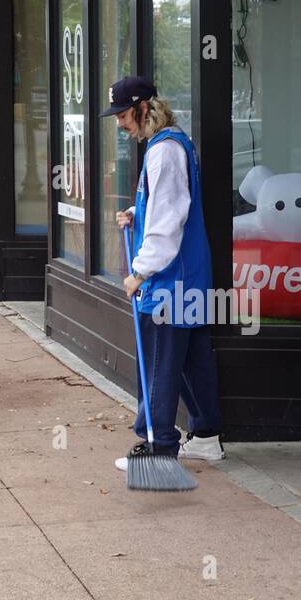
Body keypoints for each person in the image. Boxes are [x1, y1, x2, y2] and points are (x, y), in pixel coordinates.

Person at [100, 75, 224, 473]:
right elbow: (171, 207)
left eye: (122, 114)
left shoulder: (163, 152)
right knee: (190, 361)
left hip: (169, 281)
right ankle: (205, 438)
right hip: (189, 277)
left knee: (158, 363)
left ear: (141, 109)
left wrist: (138, 272)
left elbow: (169, 219)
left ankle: (158, 446)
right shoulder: (173, 143)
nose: (119, 123)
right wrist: (138, 213)